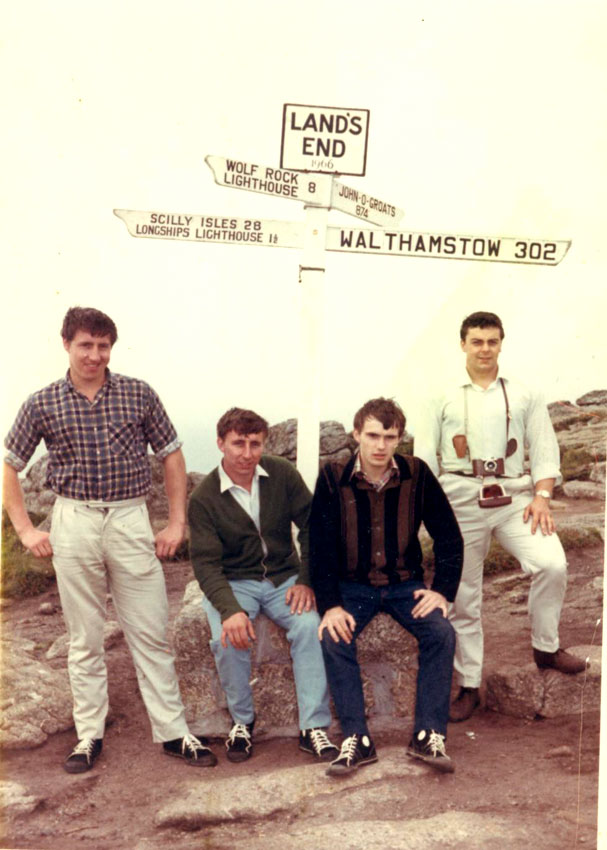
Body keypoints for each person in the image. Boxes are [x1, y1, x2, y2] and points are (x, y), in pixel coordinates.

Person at [3, 307, 217, 772]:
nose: (95, 355)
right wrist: (24, 528)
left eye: (103, 346)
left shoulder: (138, 394)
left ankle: (174, 732)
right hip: (74, 519)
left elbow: (172, 455)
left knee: (150, 630)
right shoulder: (42, 403)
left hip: (128, 518)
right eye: (85, 345)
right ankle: (88, 736)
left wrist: (177, 522)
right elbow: (9, 463)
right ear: (66, 345)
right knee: (84, 638)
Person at [414, 311, 586, 723]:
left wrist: (543, 495)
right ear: (463, 345)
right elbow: (423, 459)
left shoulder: (524, 394)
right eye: (477, 341)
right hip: (460, 496)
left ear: (501, 344)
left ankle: (546, 647)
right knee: (465, 594)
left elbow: (544, 450)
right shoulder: (440, 394)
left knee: (552, 563)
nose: (485, 349)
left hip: (514, 496)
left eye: (492, 341)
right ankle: (469, 684)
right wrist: (431, 512)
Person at [309, 398, 463, 776]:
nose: (380, 445)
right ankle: (357, 740)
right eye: (373, 435)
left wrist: (442, 590)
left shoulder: (417, 474)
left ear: (399, 438)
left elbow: (449, 536)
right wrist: (330, 605)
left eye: (389, 437)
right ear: (356, 434)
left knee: (441, 632)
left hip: (403, 586)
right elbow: (319, 547)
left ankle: (428, 735)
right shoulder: (332, 477)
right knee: (334, 636)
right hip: (353, 588)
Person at [187, 407, 338, 763]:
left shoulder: (281, 474)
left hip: (284, 577)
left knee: (310, 626)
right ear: (220, 443)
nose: (247, 453)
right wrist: (229, 610)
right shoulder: (204, 497)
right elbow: (205, 564)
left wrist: (305, 580)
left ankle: (312, 727)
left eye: (255, 444)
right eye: (238, 443)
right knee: (228, 638)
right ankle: (242, 721)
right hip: (235, 582)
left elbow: (314, 526)